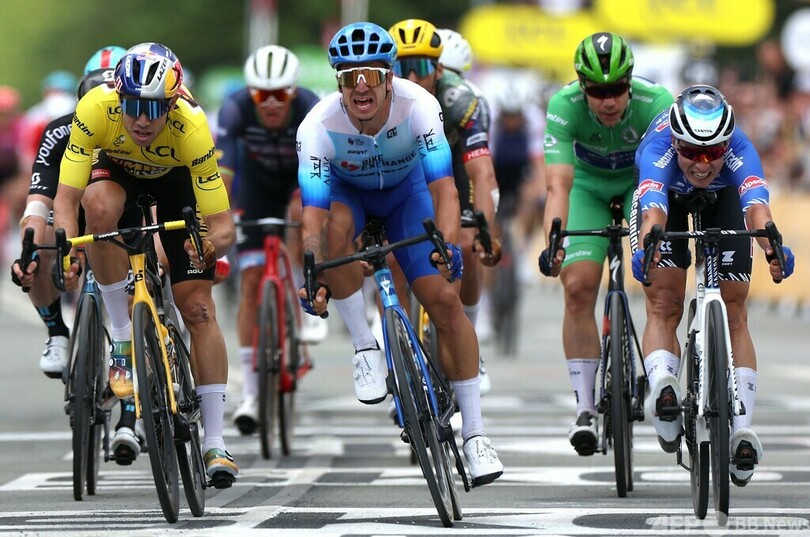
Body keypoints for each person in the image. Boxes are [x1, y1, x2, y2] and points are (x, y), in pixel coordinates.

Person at [296, 22, 503, 486]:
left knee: (445, 301)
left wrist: (446, 245)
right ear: (338, 84)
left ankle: (475, 435)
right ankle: (365, 347)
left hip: (407, 196)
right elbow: (312, 216)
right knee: (334, 235)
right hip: (349, 195)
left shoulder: (420, 105)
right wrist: (313, 274)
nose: (361, 86)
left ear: (390, 78)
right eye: (349, 78)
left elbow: (444, 189)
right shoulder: (317, 126)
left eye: (371, 75)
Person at [52, 42, 238, 487]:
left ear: (172, 104)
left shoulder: (192, 126)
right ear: (117, 97)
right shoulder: (96, 108)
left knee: (198, 309)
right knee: (98, 209)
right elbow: (66, 201)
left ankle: (215, 441)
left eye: (153, 108)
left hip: (176, 182)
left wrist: (207, 247)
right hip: (116, 174)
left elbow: (223, 227)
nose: (141, 119)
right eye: (132, 105)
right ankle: (122, 338)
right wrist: (66, 250)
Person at [632, 84, 795, 486]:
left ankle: (741, 429)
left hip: (724, 200)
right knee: (664, 301)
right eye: (692, 152)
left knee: (735, 311)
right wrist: (650, 247)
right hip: (667, 200)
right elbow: (653, 212)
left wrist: (772, 247)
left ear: (727, 144)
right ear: (676, 142)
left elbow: (756, 208)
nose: (702, 164)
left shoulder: (742, 148)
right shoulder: (657, 149)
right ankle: (663, 388)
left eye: (714, 152)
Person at [10, 47, 151, 465]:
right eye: (93, 96)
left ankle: (143, 393)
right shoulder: (59, 131)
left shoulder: (139, 131)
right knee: (38, 247)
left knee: (138, 297)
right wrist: (28, 247)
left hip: (124, 213)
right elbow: (38, 200)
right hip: (70, 209)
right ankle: (57, 330)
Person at [537, 32, 674, 456]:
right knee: (578, 288)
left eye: (617, 89)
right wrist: (555, 240)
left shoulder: (656, 102)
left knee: (659, 280)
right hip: (586, 188)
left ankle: (662, 379)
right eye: (597, 91)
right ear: (582, 86)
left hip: (640, 184)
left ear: (630, 82)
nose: (609, 100)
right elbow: (558, 186)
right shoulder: (564, 106)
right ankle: (584, 408)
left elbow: (666, 177)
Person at [216, 44, 324, 434]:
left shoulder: (311, 106)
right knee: (250, 281)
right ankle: (250, 391)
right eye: (263, 95)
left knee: (299, 213)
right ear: (251, 94)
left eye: (281, 94)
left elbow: (323, 168)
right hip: (256, 189)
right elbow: (222, 175)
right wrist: (220, 216)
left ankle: (302, 291)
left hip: (299, 181)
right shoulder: (235, 109)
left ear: (294, 92)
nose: (273, 103)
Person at [389, 19, 501, 395]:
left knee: (466, 246)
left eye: (419, 67)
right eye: (401, 68)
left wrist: (483, 229)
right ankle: (399, 349)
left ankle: (469, 336)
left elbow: (482, 173)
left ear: (437, 69)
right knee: (391, 256)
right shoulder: (380, 99)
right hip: (403, 171)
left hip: (452, 165)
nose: (410, 77)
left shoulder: (462, 101)